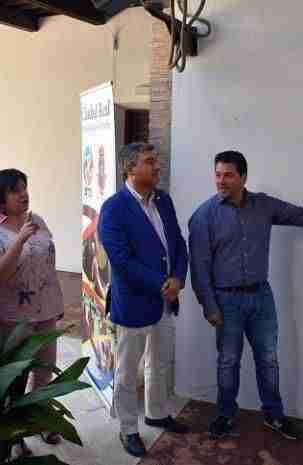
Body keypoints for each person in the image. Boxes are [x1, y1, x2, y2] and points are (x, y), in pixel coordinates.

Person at [188, 150, 303, 441]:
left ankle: (274, 415)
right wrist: (209, 306)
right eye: (218, 174)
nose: (221, 181)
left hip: (261, 297)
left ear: (243, 177)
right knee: (228, 361)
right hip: (226, 302)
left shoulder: (263, 206)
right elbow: (199, 268)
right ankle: (225, 415)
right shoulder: (203, 216)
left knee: (268, 359)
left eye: (228, 175)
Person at [98, 142, 189, 458]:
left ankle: (157, 413)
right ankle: (128, 429)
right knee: (126, 372)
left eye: (155, 160)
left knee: (159, 363)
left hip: (166, 300)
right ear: (130, 168)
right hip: (134, 303)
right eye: (149, 161)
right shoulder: (114, 208)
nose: (157, 166)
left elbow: (178, 243)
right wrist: (162, 283)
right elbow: (121, 260)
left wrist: (179, 278)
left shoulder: (163, 200)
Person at [0, 168, 65, 449]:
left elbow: (47, 263)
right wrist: (20, 240)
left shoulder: (36, 220)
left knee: (44, 370)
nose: (24, 194)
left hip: (45, 307)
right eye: (15, 190)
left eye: (24, 188)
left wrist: (55, 301)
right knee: (15, 374)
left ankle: (39, 422)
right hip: (12, 314)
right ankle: (13, 435)